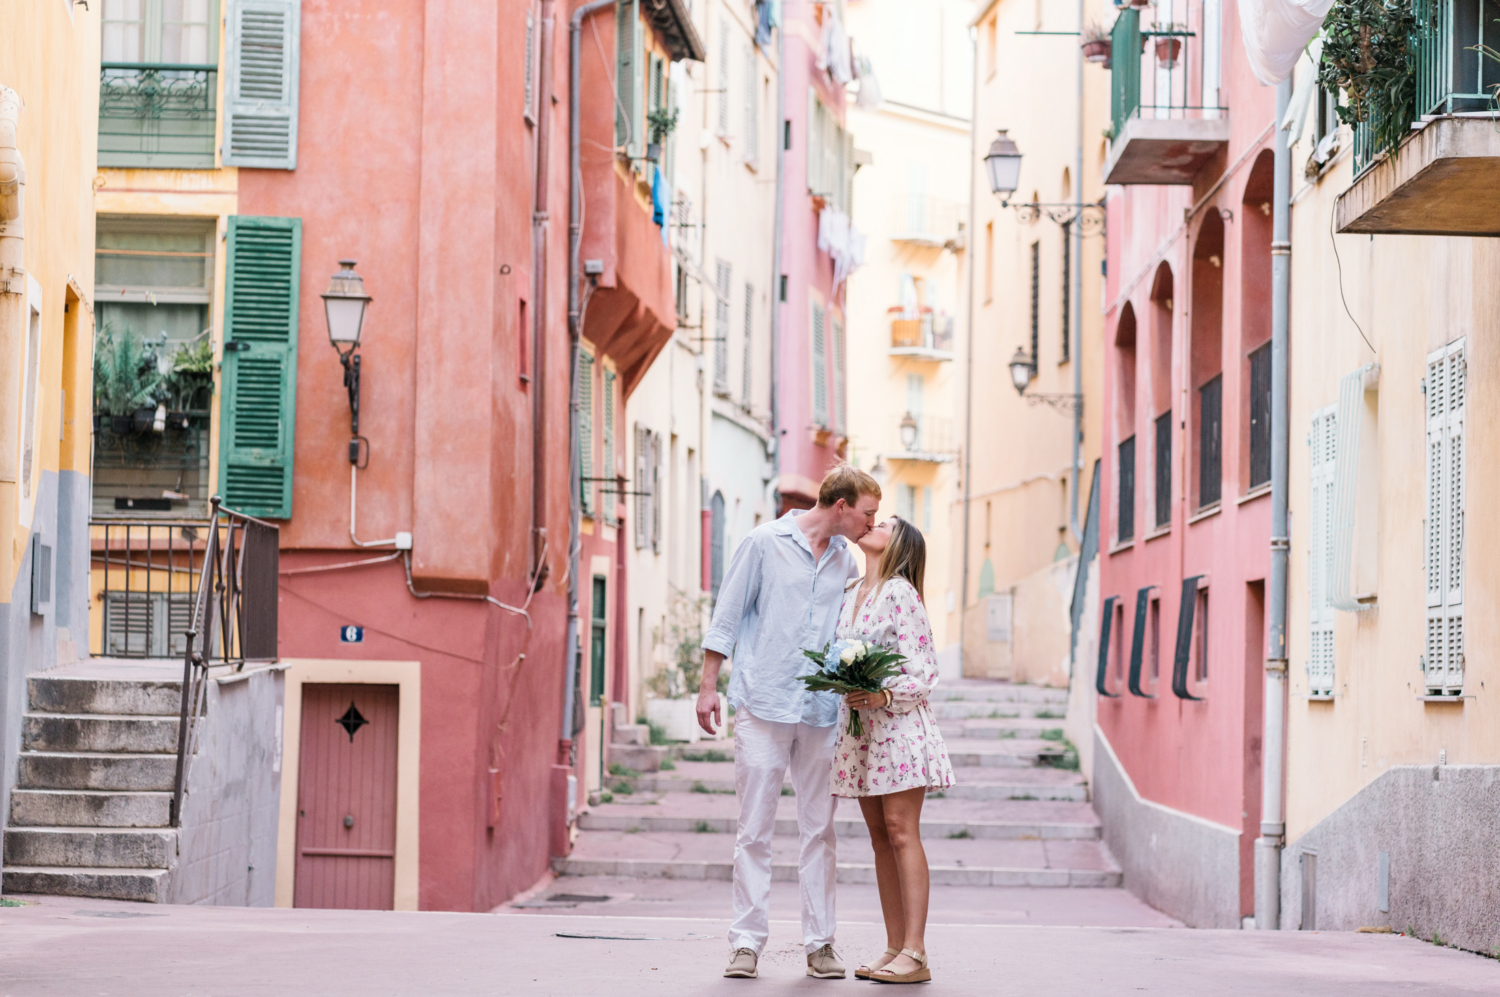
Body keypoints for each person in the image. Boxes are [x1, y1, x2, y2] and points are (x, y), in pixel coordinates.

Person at [697, 465, 882, 980]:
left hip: (822, 711)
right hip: (763, 702)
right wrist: (708, 686)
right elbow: (728, 614)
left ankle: (820, 942)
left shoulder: (849, 560)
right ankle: (746, 942)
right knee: (753, 829)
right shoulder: (764, 542)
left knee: (819, 831)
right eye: (867, 513)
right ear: (841, 506)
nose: (871, 523)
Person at [833, 516, 954, 985]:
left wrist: (881, 694)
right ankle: (893, 945)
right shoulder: (850, 593)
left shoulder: (901, 592)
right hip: (862, 731)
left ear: (899, 541)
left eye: (883, 522)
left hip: (899, 729)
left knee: (902, 832)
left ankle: (917, 952)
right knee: (880, 838)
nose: (871, 523)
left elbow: (924, 671)